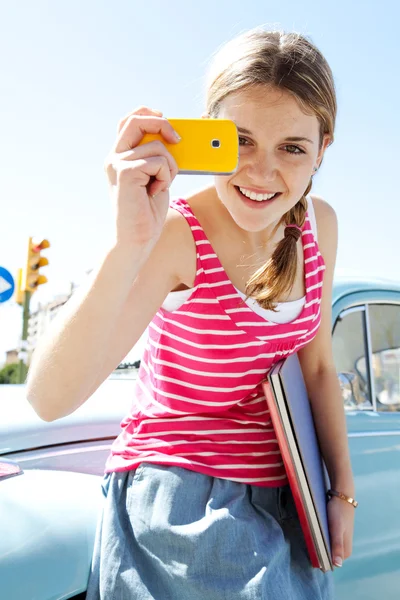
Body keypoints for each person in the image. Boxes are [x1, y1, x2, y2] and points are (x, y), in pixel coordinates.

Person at [27, 27, 356, 600]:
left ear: (323, 148)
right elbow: (48, 399)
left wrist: (340, 493)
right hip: (182, 499)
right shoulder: (176, 233)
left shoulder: (318, 226)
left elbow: (321, 368)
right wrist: (129, 242)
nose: (259, 172)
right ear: (206, 135)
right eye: (241, 141)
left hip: (288, 496)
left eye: (293, 148)